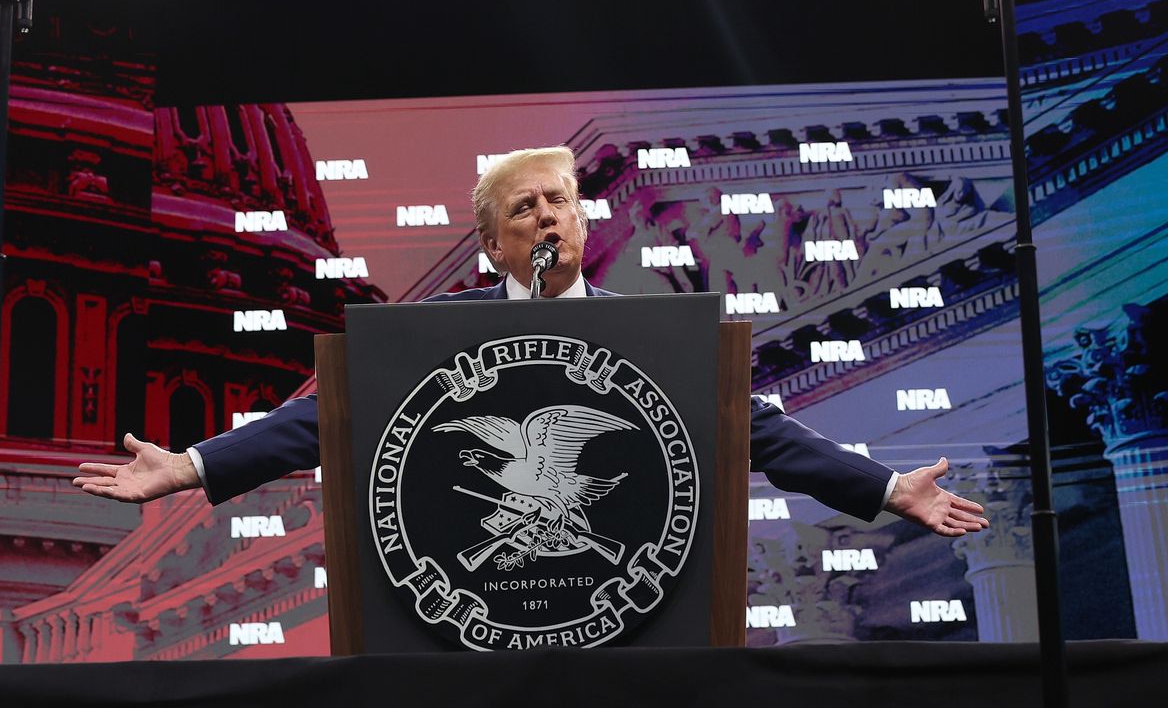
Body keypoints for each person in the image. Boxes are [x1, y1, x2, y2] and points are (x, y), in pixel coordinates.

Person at [75, 147, 988, 537]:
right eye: (524, 208)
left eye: (559, 200)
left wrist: (885, 487)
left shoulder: (654, 333)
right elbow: (319, 418)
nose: (546, 215)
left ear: (583, 222)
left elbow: (758, 430)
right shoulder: (432, 335)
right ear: (492, 243)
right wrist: (191, 467)